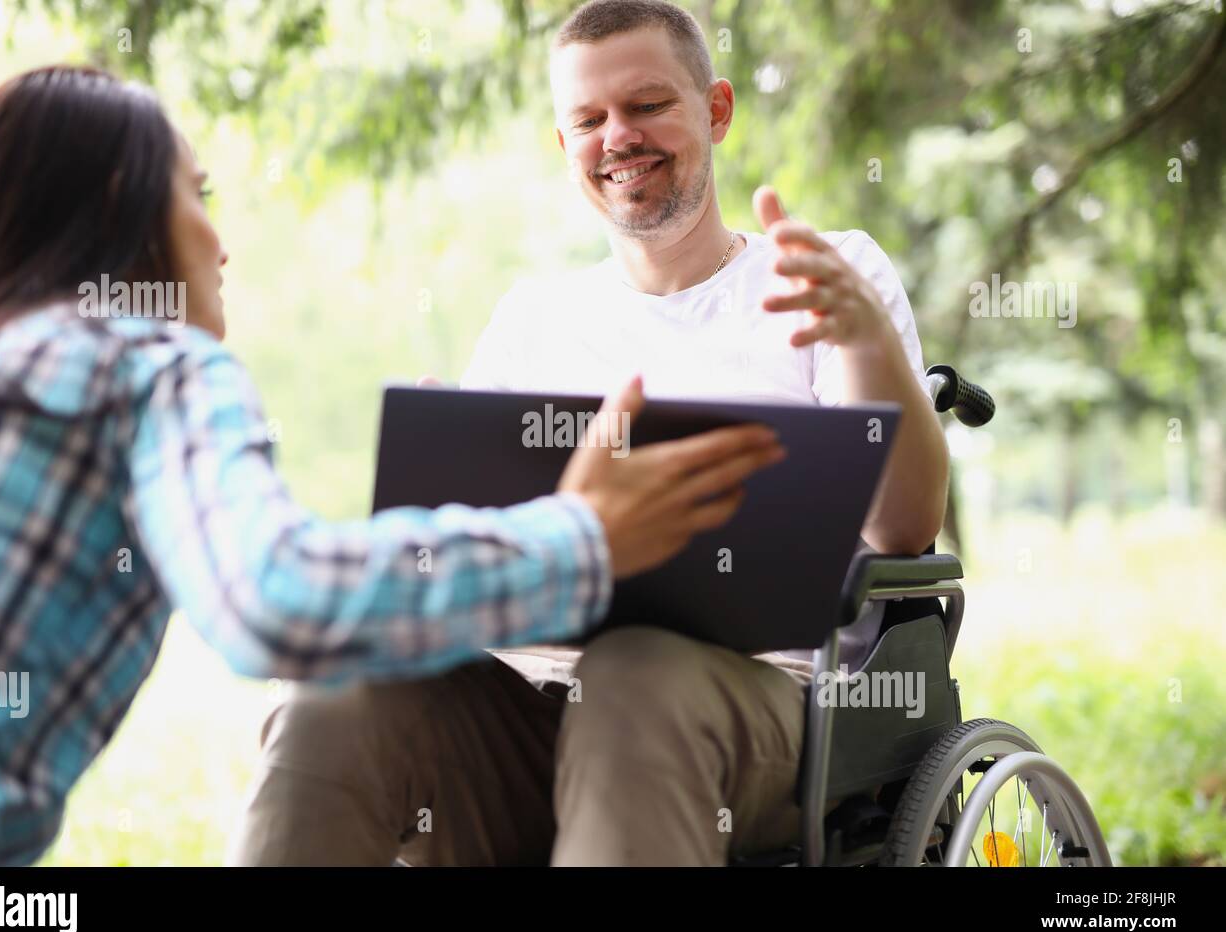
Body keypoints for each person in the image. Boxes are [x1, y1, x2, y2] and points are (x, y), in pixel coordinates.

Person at [0, 64, 784, 866]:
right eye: (198, 195)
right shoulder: (150, 368)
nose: (219, 245)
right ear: (126, 207)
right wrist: (584, 537)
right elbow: (278, 603)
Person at [231, 0, 949, 866]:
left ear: (715, 110)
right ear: (563, 145)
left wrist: (865, 338)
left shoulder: (828, 275)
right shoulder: (532, 317)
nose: (619, 137)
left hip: (756, 711)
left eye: (648, 106)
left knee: (635, 673)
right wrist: (439, 480)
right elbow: (473, 556)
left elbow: (905, 530)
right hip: (530, 711)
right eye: (588, 119)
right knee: (338, 697)